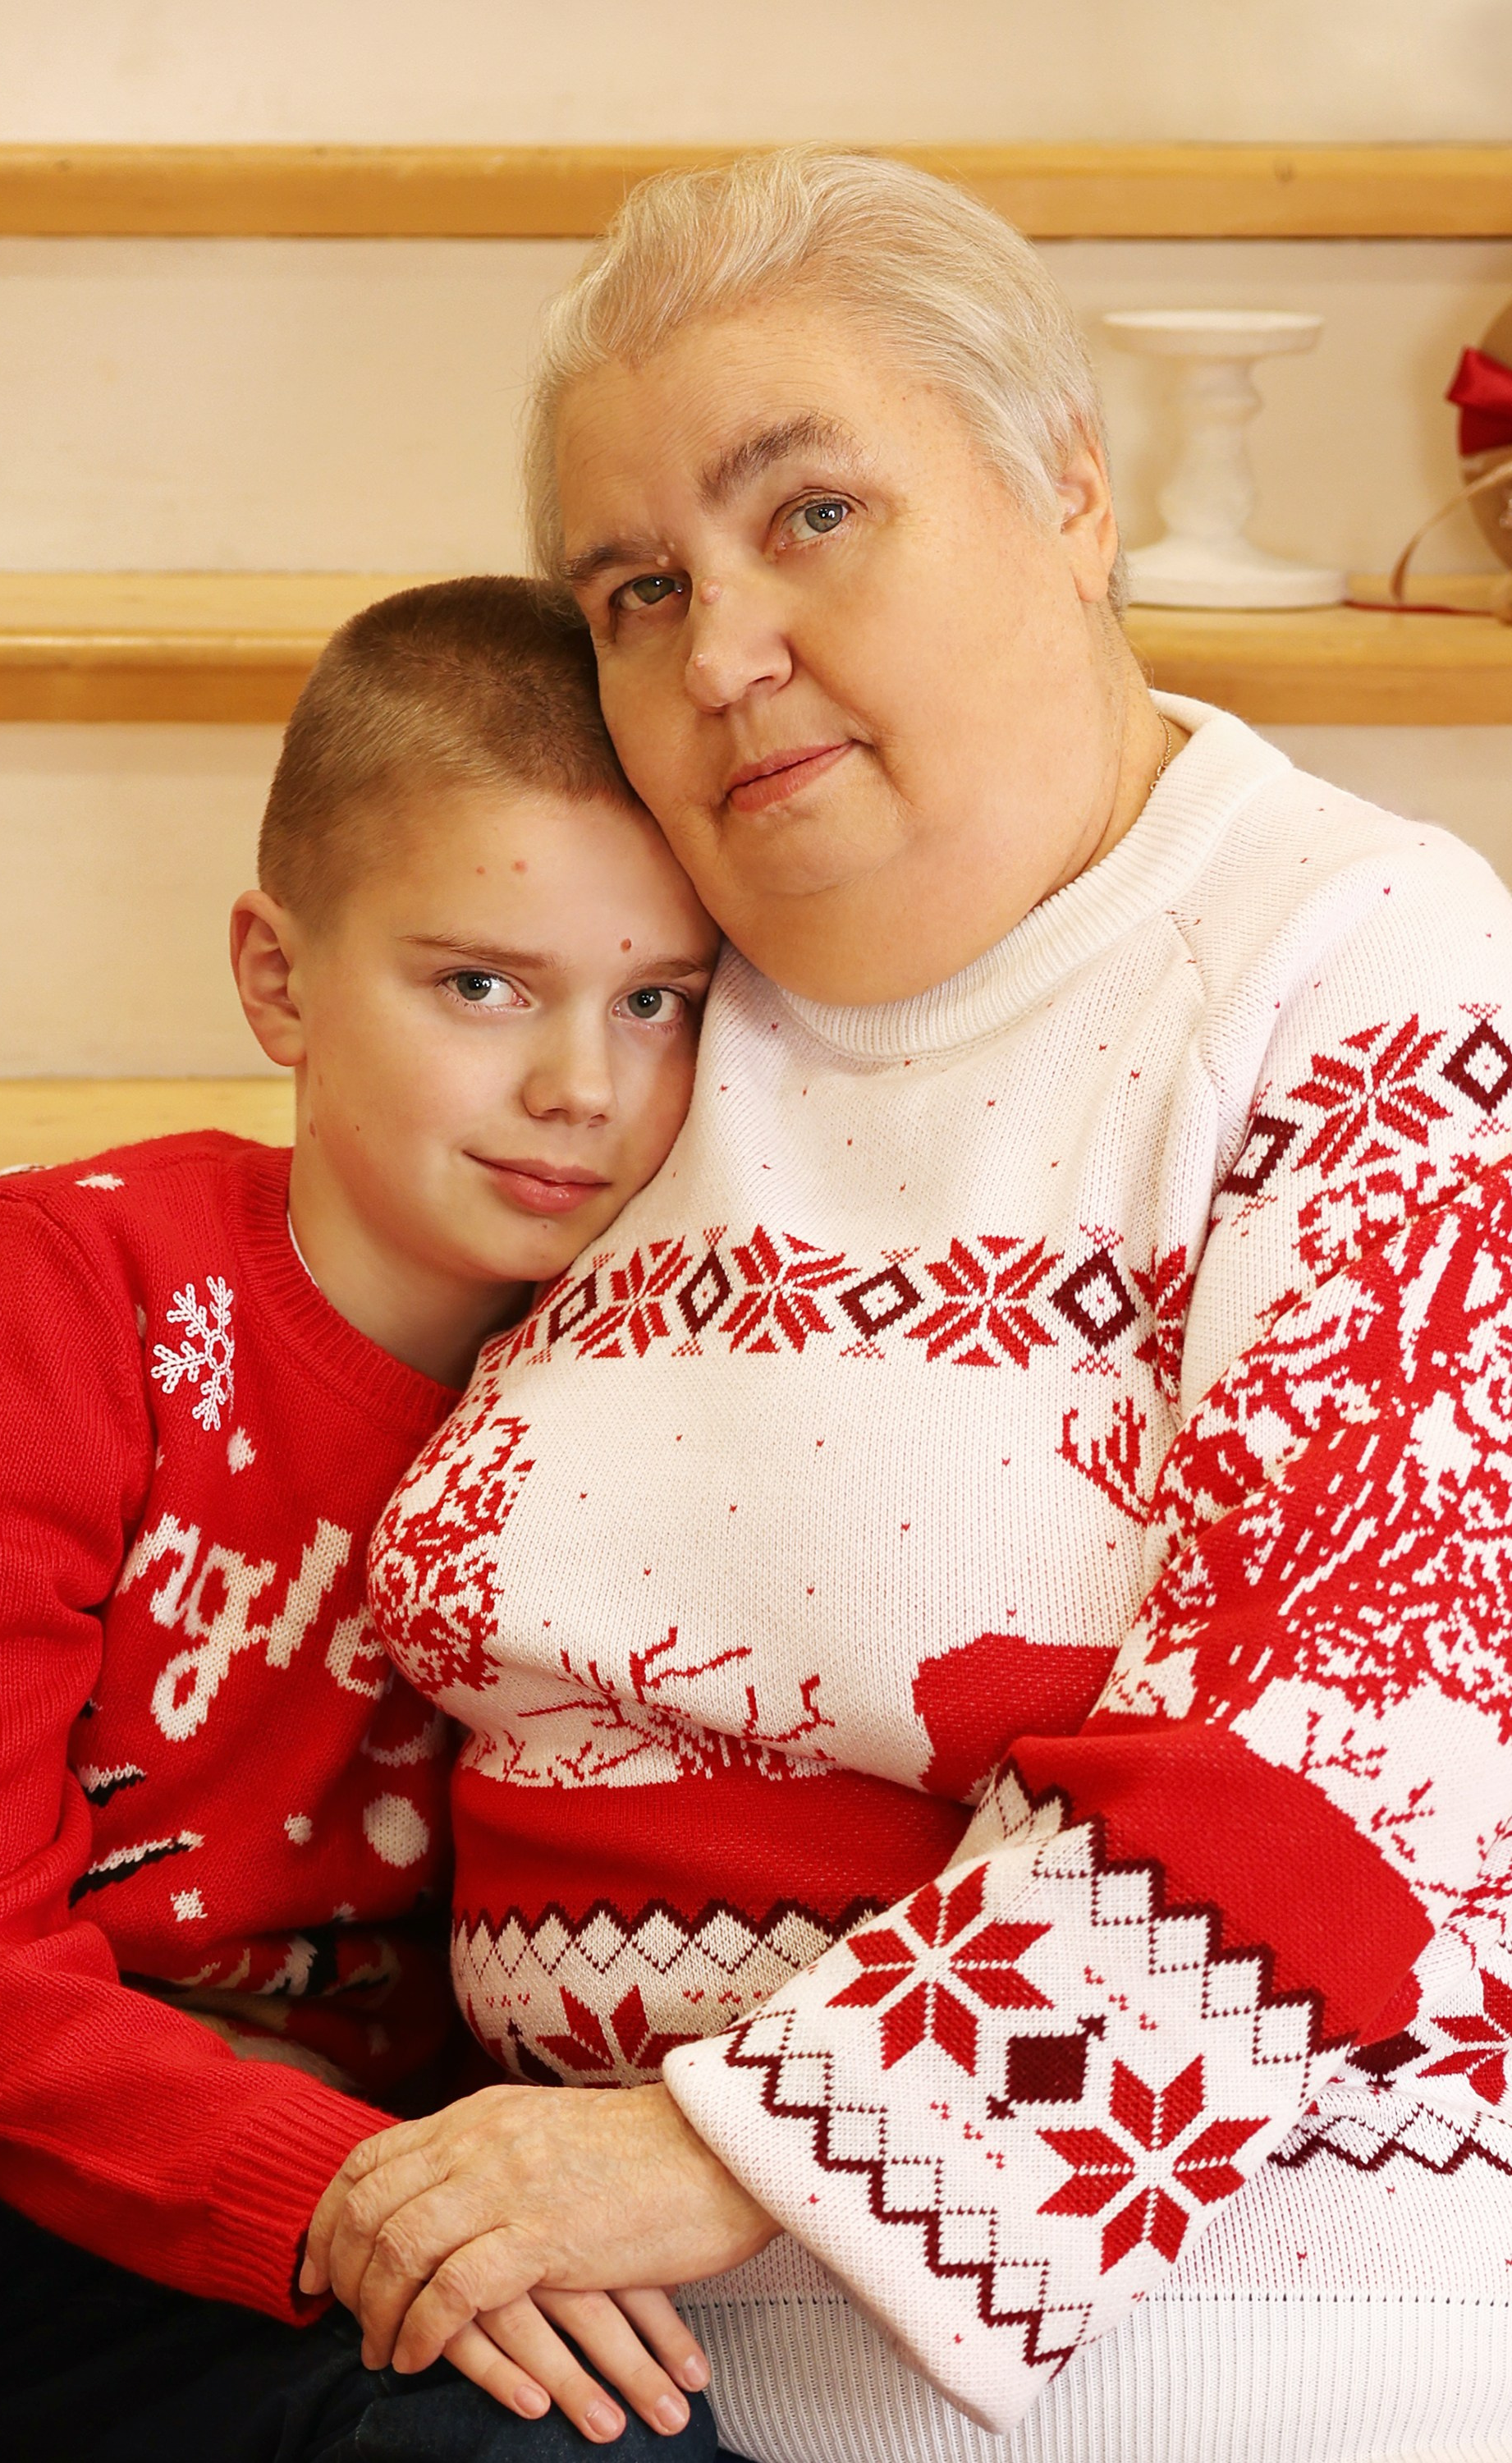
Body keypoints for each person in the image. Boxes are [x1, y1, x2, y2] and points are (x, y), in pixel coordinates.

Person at [308, 153, 1512, 2462]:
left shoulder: (1356, 960)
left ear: (1071, 489)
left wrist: (713, 2155)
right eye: (639, 589)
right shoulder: (644, 1011)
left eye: (814, 516)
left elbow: (1353, 1740)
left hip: (1195, 2353)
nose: (723, 646)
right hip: (555, 2365)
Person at [0, 578, 724, 2461]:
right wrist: (334, 2180)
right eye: (479, 984)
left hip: (242, 2253)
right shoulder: (58, 1293)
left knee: (601, 2430)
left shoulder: (658, 1394)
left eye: (656, 999)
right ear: (278, 979)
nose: (582, 1085)